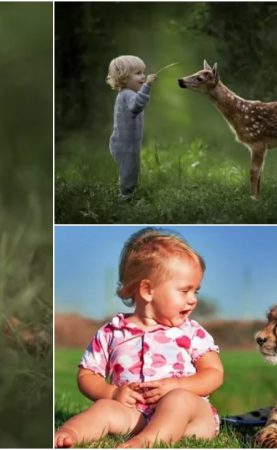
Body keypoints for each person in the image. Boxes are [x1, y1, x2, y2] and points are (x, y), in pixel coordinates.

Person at [54, 228, 223, 448]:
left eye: (196, 292)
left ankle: (146, 442)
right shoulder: (112, 332)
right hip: (135, 415)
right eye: (184, 291)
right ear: (147, 290)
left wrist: (178, 385)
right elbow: (87, 374)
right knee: (104, 408)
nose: (193, 300)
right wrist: (112, 392)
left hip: (190, 418)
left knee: (178, 400)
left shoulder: (191, 332)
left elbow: (214, 373)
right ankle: (68, 434)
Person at [106, 55, 157, 200]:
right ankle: (125, 197)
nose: (143, 76)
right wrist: (147, 86)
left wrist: (145, 87)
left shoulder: (129, 94)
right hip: (123, 145)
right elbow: (137, 106)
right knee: (128, 171)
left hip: (128, 144)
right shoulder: (127, 94)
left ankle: (129, 192)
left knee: (131, 170)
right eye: (138, 73)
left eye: (143, 72)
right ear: (124, 77)